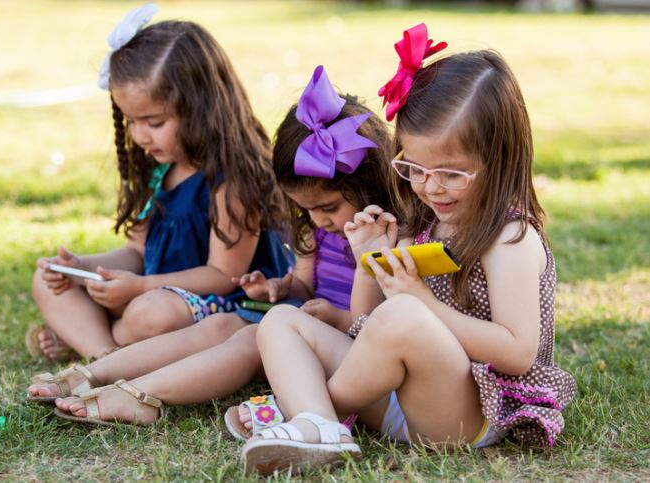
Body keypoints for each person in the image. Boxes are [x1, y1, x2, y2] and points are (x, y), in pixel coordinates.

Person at [240, 24, 577, 476]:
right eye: (414, 168)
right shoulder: (426, 221)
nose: (430, 186)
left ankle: (306, 409)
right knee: (281, 321)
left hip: (466, 414)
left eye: (451, 173)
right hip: (403, 396)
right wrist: (370, 264)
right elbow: (365, 329)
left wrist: (417, 301)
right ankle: (320, 424)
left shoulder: (508, 237)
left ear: (500, 160)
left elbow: (516, 352)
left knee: (404, 315)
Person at [25, 66, 401, 430]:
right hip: (299, 327)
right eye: (306, 209)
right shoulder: (315, 233)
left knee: (251, 339)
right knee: (223, 325)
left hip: (351, 352)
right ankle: (94, 372)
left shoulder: (390, 237)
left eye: (328, 208)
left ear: (368, 185)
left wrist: (335, 318)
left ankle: (141, 394)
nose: (317, 220)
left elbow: (386, 321)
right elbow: (303, 287)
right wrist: (278, 289)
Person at [25, 4, 291, 362]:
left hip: (225, 306)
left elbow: (224, 276)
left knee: (151, 313)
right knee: (46, 280)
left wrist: (141, 287)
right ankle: (104, 355)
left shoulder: (233, 181)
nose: (138, 136)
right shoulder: (160, 169)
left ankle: (94, 339)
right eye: (131, 121)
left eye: (153, 122)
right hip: (151, 294)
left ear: (200, 108)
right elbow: (137, 252)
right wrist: (85, 268)